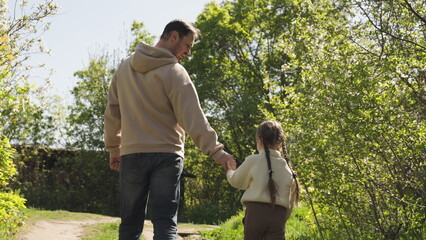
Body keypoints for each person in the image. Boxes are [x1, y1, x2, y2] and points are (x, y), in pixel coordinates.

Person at [104, 19, 235, 240]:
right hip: (167, 155)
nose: (188, 52)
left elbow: (112, 113)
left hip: (132, 154)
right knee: (165, 224)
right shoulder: (174, 72)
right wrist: (217, 151)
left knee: (129, 225)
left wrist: (114, 149)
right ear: (173, 36)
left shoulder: (125, 67)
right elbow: (193, 117)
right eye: (188, 45)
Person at [226, 120, 300, 240]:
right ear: (280, 143)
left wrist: (230, 171)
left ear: (259, 140)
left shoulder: (253, 160)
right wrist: (281, 219)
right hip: (279, 214)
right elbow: (290, 203)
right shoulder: (288, 168)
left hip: (255, 213)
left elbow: (236, 181)